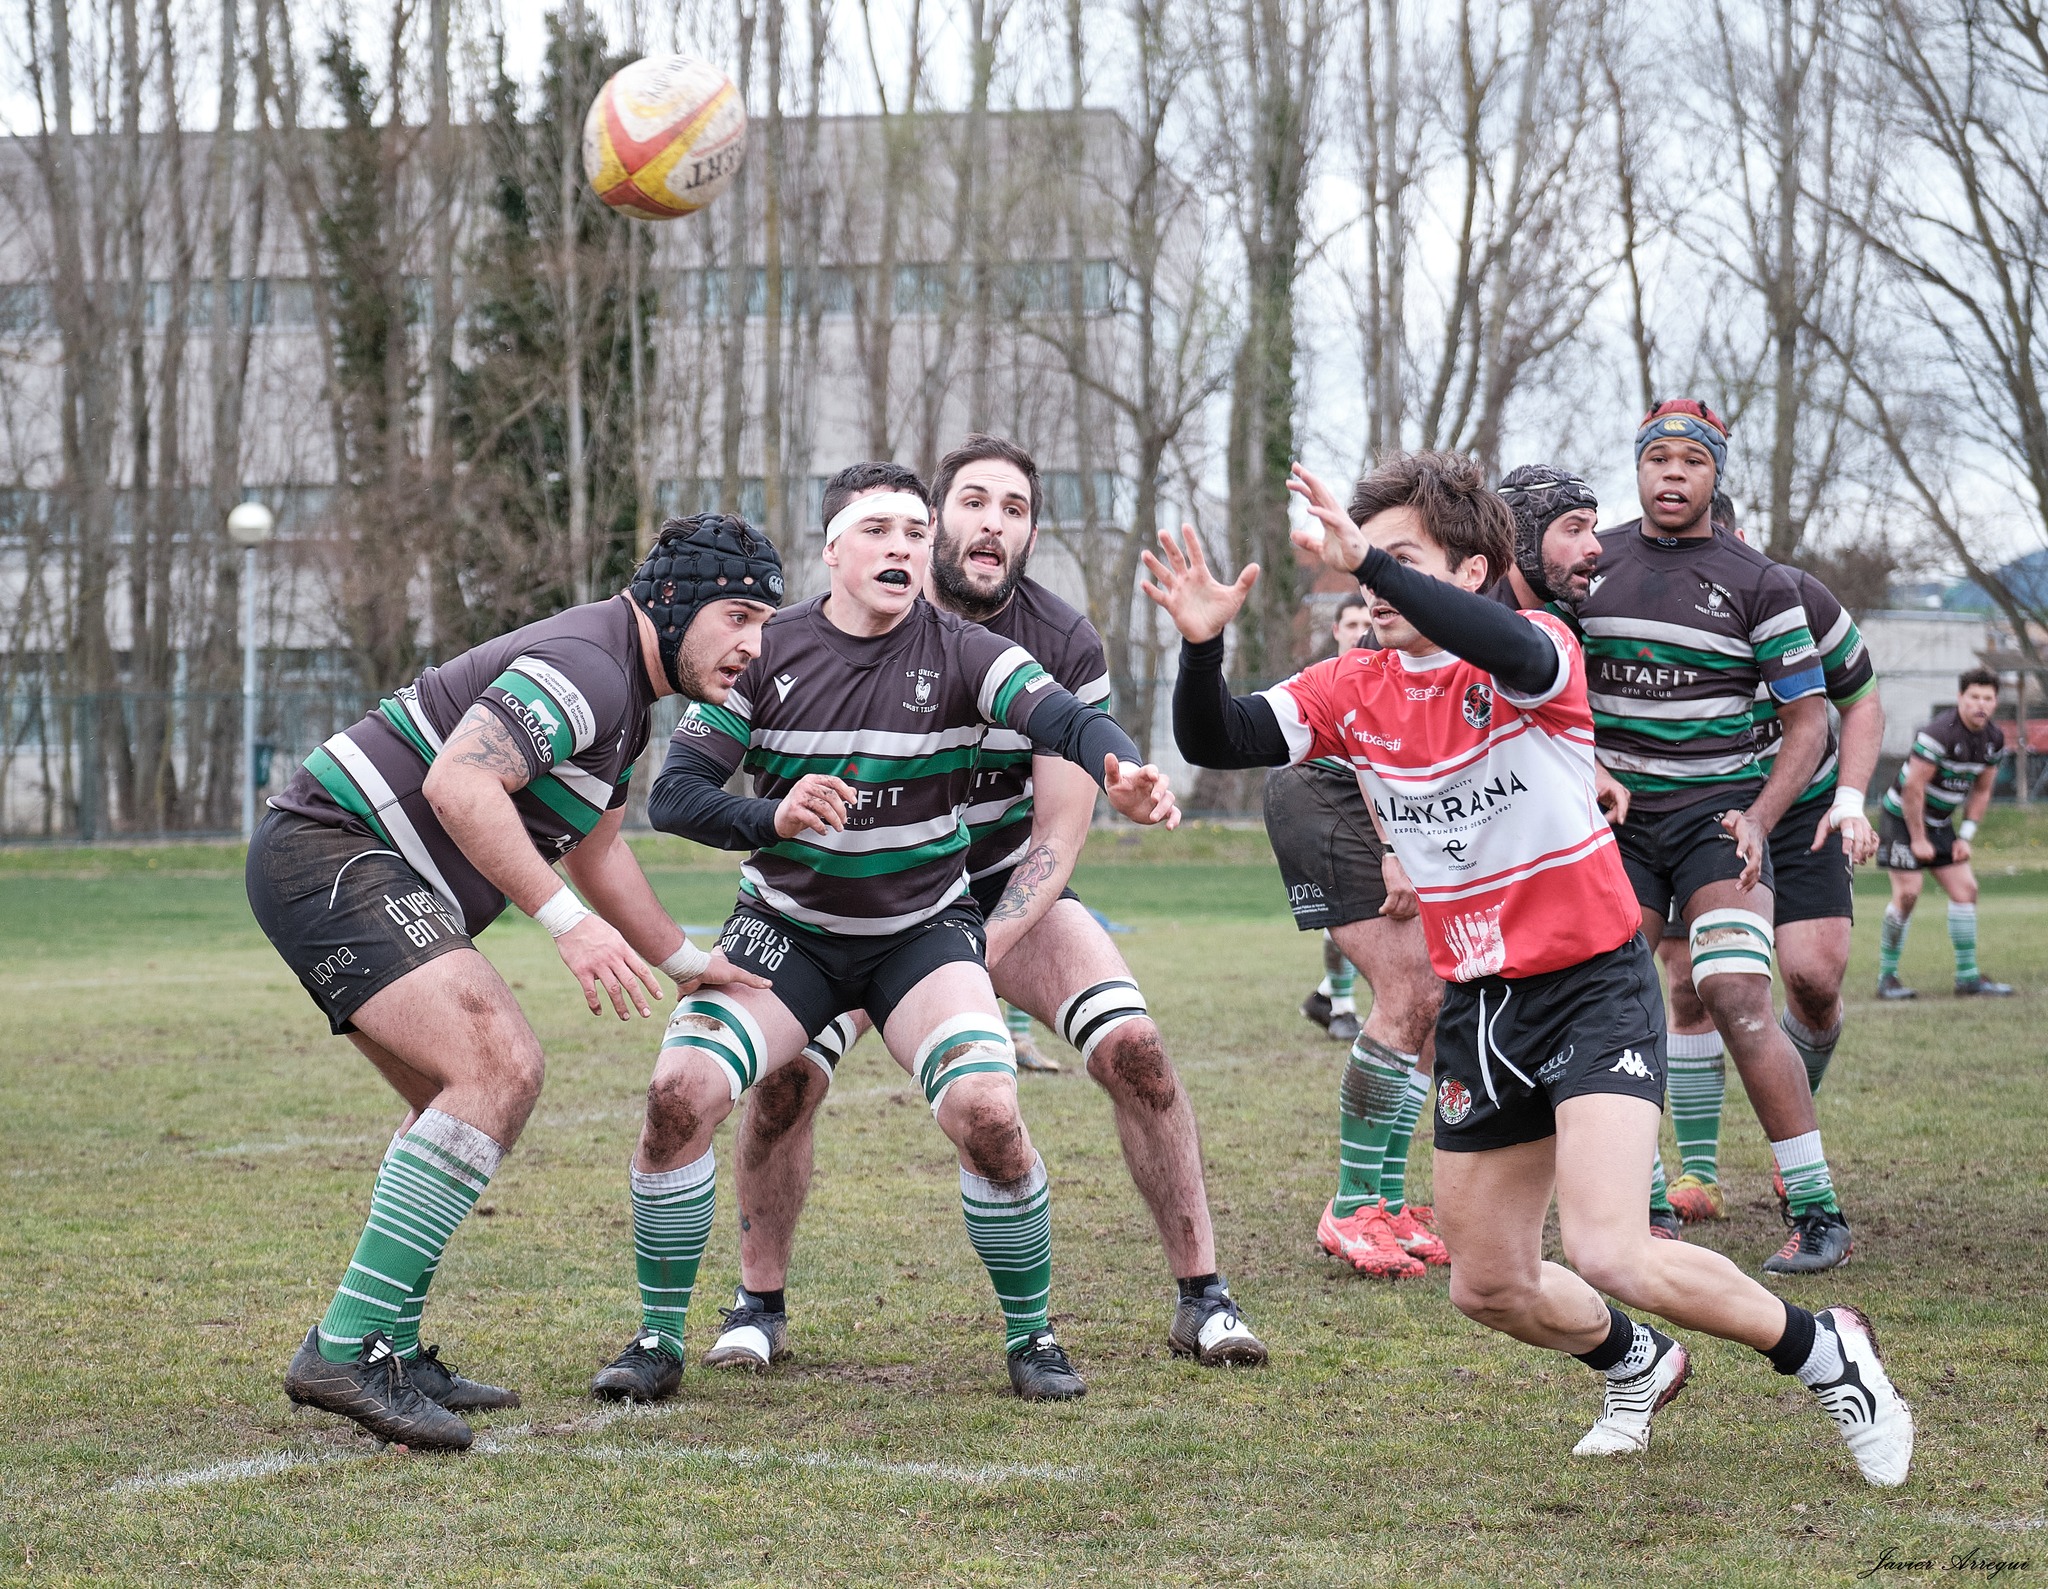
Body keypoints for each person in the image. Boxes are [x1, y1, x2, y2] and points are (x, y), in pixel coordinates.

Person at [1146, 448, 1912, 1486]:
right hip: (1480, 1005)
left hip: (1591, 985)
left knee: (1609, 1248)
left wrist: (1365, 561)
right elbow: (1217, 736)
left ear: (1463, 573)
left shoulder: (1536, 650)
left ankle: (1828, 1353)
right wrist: (1201, 644)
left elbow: (1497, 635)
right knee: (1488, 1283)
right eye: (1363, 554)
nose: (1363, 574)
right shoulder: (1350, 684)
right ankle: (1634, 1358)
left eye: (1397, 556)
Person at [587, 462, 1182, 1406]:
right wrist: (772, 817)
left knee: (988, 1111)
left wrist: (1125, 770)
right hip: (787, 932)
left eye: (913, 529)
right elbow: (677, 796)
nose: (901, 545)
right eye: (877, 529)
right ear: (833, 551)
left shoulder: (963, 650)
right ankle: (660, 1337)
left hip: (919, 935)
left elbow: (1061, 716)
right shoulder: (766, 651)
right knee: (676, 1095)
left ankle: (1032, 1335)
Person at [694, 436, 1266, 1375]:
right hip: (848, 898)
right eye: (971, 502)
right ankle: (758, 1304)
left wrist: (970, 951)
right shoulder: (845, 623)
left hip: (998, 893)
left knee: (1137, 1048)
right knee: (786, 1080)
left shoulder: (1062, 641)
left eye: (1014, 508)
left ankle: (1204, 1296)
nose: (991, 523)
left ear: (1031, 531)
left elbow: (1056, 835)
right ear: (931, 521)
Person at [248, 514, 781, 1450]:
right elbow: (461, 784)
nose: (753, 644)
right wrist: (567, 929)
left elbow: (600, 852)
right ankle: (343, 1347)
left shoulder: (625, 698)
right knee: (499, 1065)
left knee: (446, 1102)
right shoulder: (590, 663)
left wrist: (689, 963)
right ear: (675, 600)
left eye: (766, 623)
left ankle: (393, 1347)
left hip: (357, 864)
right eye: (738, 614)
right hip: (334, 849)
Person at [1574, 399, 1855, 1275]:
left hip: (1717, 822)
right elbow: (1536, 676)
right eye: (1657, 458)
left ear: (1715, 475)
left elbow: (1809, 719)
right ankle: (1642, 1197)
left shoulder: (1759, 581)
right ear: (1638, 468)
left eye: (1691, 462)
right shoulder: (1590, 566)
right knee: (1618, 1004)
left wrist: (1762, 817)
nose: (1672, 474)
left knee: (1735, 989)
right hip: (1615, 824)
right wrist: (1585, 768)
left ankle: (1816, 1208)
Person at [1648, 495, 1883, 1227]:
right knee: (1691, 982)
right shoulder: (1645, 599)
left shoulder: (1794, 593)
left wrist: (1850, 798)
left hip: (1802, 806)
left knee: (1814, 976)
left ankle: (1791, 1131)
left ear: (1737, 537)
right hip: (1702, 813)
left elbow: (1864, 699)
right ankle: (1701, 1173)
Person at [1260, 592, 1444, 1278]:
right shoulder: (1425, 633)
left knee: (1434, 1000)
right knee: (1410, 989)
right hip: (1330, 793)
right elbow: (1374, 741)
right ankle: (1352, 1205)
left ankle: (1387, 1202)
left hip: (1374, 805)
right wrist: (1395, 846)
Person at [1876, 668, 2013, 998]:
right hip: (1902, 817)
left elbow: (1981, 790)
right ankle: (1887, 978)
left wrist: (1965, 836)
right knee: (1908, 893)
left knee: (1966, 890)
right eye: (1974, 697)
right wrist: (1918, 839)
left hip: (1940, 822)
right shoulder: (1938, 734)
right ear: (1960, 698)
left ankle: (1968, 979)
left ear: (1995, 702)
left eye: (1988, 698)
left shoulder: (1993, 739)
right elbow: (1912, 789)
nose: (1981, 704)